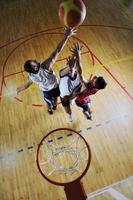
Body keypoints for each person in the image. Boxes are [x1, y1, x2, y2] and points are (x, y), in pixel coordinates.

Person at [16, 27, 76, 114]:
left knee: (48, 101)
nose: (36, 60)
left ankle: (50, 110)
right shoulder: (45, 66)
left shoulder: (31, 76)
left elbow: (26, 85)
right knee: (55, 98)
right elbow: (57, 50)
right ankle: (54, 106)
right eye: (34, 62)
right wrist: (66, 36)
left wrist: (19, 89)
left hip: (45, 90)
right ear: (35, 68)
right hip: (54, 87)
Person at [72, 43, 107, 120]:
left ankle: (88, 116)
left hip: (80, 100)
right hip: (86, 98)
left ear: (94, 82)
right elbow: (97, 82)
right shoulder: (97, 88)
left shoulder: (87, 85)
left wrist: (78, 56)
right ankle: (90, 114)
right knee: (87, 107)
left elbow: (80, 72)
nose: (95, 77)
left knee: (84, 110)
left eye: (96, 78)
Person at [59, 44, 83, 122]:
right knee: (67, 110)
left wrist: (78, 55)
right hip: (66, 97)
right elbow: (63, 72)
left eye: (73, 67)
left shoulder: (79, 76)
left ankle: (75, 101)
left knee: (77, 99)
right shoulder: (63, 74)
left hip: (75, 94)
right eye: (68, 67)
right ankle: (70, 115)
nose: (70, 69)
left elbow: (78, 65)